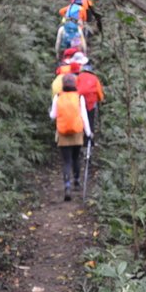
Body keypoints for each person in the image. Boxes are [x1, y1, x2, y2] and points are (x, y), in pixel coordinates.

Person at [50, 73, 92, 201]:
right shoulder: (79, 97)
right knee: (76, 158)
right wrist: (89, 133)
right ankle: (77, 181)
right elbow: (84, 117)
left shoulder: (57, 97)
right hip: (77, 133)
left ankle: (67, 186)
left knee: (66, 161)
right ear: (75, 84)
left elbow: (53, 115)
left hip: (63, 133)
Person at [75, 64, 105, 137]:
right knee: (90, 119)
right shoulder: (95, 78)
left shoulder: (78, 77)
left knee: (81, 118)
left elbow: (75, 88)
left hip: (79, 101)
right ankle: (90, 138)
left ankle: (81, 136)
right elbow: (98, 90)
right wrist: (101, 99)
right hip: (91, 102)